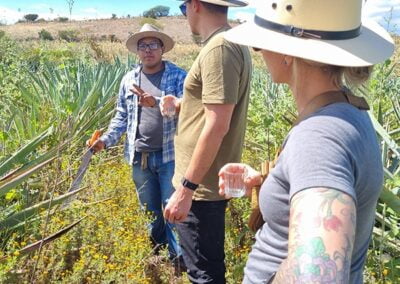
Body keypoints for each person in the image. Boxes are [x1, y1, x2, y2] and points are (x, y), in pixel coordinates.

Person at [219, 0, 395, 283]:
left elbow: (315, 275)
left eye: (260, 44)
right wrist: (267, 180)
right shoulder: (348, 110)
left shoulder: (319, 136)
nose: (260, 52)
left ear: (287, 52)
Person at [164, 0, 252, 282]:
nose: (185, 14)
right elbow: (215, 108)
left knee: (204, 275)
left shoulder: (220, 48)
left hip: (202, 187)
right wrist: (181, 104)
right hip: (204, 184)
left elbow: (217, 125)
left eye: (182, 8)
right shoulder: (227, 42)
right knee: (205, 268)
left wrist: (187, 189)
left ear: (195, 5)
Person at [89, 24, 187, 265]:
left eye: (153, 45)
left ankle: (179, 263)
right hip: (139, 158)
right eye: (143, 46)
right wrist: (105, 141)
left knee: (172, 210)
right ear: (137, 51)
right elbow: (120, 116)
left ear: (162, 48)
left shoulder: (177, 75)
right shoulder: (129, 79)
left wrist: (160, 102)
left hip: (169, 157)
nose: (148, 50)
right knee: (151, 213)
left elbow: (191, 107)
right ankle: (160, 258)